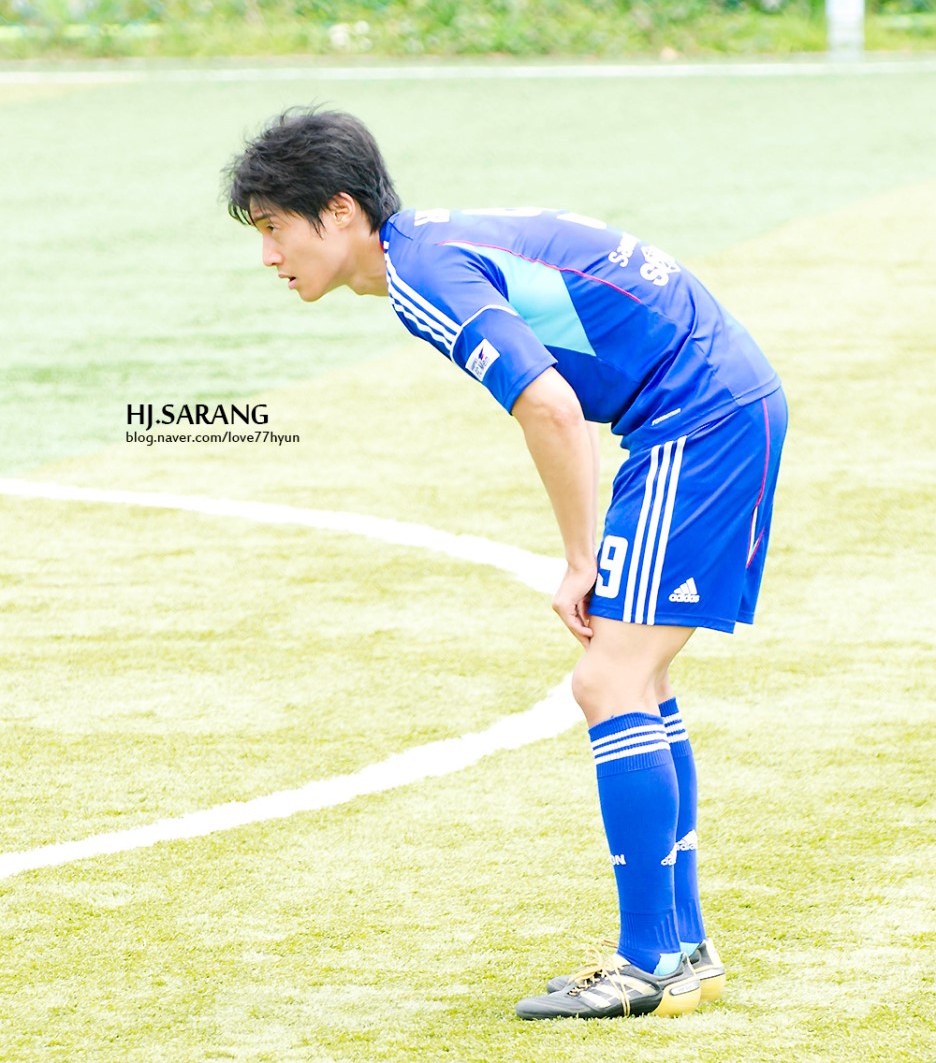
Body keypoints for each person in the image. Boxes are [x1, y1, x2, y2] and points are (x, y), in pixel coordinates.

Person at [224, 106, 787, 1022]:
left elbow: (550, 406)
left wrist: (579, 556)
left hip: (700, 415)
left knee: (608, 681)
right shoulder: (426, 247)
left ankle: (651, 959)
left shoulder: (423, 272)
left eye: (274, 227)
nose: (267, 256)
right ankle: (683, 953)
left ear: (340, 212)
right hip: (710, 403)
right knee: (637, 678)